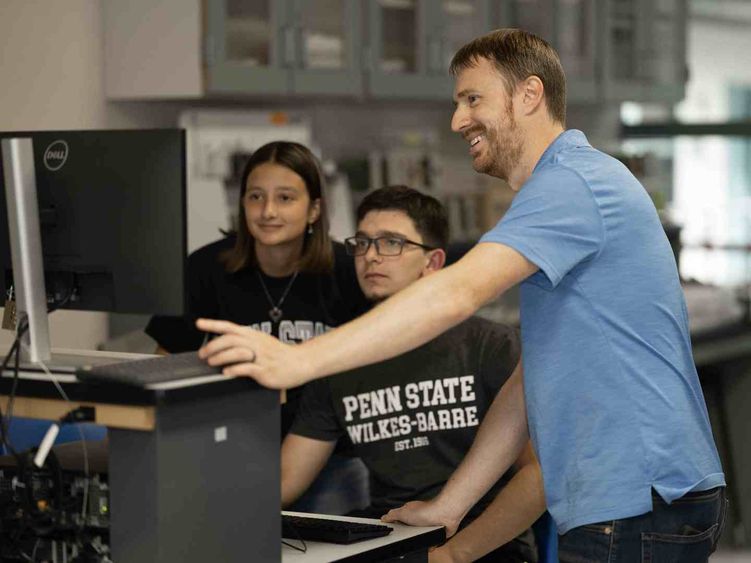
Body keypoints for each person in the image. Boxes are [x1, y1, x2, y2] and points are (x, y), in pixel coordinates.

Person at [197, 29, 727, 562]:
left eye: (473, 98)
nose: (458, 120)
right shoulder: (567, 185)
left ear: (528, 95)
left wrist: (296, 361)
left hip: (636, 501)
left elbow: (456, 294)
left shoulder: (571, 184)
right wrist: (451, 505)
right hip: (637, 500)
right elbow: (527, 389)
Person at [283, 185, 543, 562]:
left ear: (433, 262)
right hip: (389, 540)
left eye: (391, 243)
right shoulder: (342, 357)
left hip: (485, 546)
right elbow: (288, 478)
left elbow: (536, 479)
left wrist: (452, 555)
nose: (370, 257)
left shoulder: (493, 347)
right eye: (362, 243)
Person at [146, 140, 370, 513]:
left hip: (332, 458)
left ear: (314, 209)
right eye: (255, 197)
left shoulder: (348, 271)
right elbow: (162, 365)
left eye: (285, 198)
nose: (267, 211)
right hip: (229, 451)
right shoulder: (206, 268)